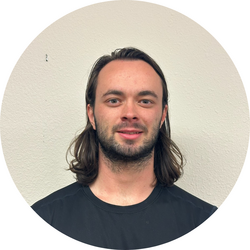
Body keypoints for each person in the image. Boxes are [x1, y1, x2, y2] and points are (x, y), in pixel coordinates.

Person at [32, 47, 217, 249]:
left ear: (163, 115)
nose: (130, 113)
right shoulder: (43, 221)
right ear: (91, 114)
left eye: (145, 101)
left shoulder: (206, 224)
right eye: (114, 101)